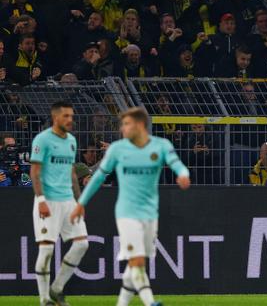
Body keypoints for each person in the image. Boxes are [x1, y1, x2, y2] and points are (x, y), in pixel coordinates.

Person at [70, 107, 190, 306]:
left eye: (127, 124)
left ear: (141, 125)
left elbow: (176, 163)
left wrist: (183, 174)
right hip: (126, 213)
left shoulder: (160, 145)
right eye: (122, 124)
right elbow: (99, 176)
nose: (123, 129)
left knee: (138, 261)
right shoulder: (118, 149)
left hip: (150, 213)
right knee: (136, 260)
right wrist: (81, 202)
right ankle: (149, 301)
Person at [30, 101, 89, 306]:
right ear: (56, 118)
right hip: (49, 201)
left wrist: (79, 201)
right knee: (46, 250)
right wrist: (41, 200)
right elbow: (35, 172)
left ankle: (57, 288)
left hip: (68, 201)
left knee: (82, 244)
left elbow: (72, 173)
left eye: (71, 116)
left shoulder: (71, 141)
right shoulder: (42, 140)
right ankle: (44, 298)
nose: (70, 119)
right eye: (66, 116)